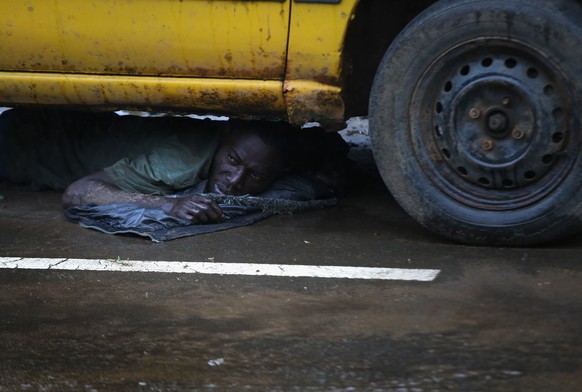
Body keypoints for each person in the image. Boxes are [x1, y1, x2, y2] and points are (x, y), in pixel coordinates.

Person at [0, 108, 352, 224]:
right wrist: (168, 204)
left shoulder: (277, 153)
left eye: (255, 176)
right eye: (232, 162)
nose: (234, 181)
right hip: (20, 146)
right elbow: (78, 193)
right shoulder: (179, 163)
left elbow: (327, 144)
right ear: (224, 137)